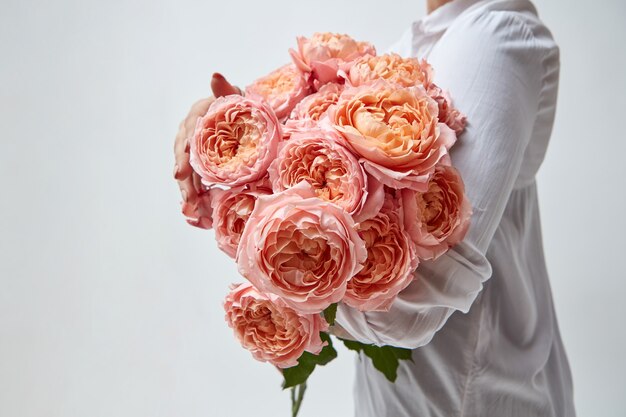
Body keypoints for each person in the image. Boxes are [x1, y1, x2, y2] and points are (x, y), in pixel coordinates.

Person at [173, 0, 576, 415]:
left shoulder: (494, 37)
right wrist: (250, 151)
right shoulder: (422, 44)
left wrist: (284, 281)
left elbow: (407, 311)